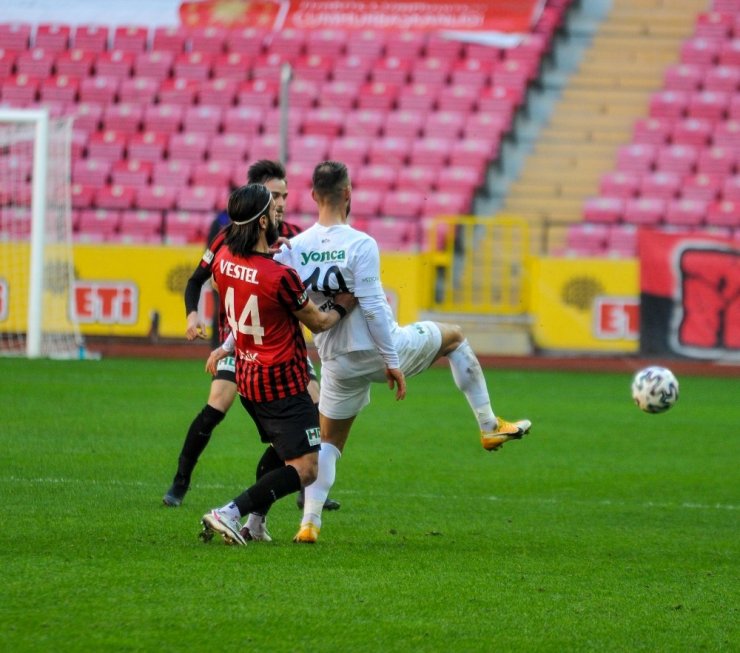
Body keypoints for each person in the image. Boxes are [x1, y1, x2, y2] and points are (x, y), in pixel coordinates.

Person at [274, 161, 532, 544]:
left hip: (336, 360)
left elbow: (272, 299)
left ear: (312, 196)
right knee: (455, 337)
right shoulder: (360, 243)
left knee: (328, 443)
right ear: (348, 193)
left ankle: (309, 523)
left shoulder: (293, 248)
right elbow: (374, 307)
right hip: (380, 350)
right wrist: (392, 363)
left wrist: (230, 344)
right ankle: (488, 425)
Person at [163, 159, 340, 512]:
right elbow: (203, 278)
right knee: (218, 404)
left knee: (317, 406)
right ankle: (181, 481)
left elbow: (303, 285)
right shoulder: (231, 234)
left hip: (279, 343)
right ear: (258, 199)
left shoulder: (292, 234)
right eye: (274, 195)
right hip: (239, 340)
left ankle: (301, 486)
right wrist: (192, 315)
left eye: (285, 195)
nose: (281, 203)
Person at [199, 183, 355, 545]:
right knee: (305, 468)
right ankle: (230, 512)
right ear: (261, 222)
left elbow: (252, 289)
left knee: (281, 449)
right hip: (282, 383)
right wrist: (346, 302)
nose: (277, 215)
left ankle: (255, 523)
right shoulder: (279, 277)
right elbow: (318, 322)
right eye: (272, 210)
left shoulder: (223, 262)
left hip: (248, 378)